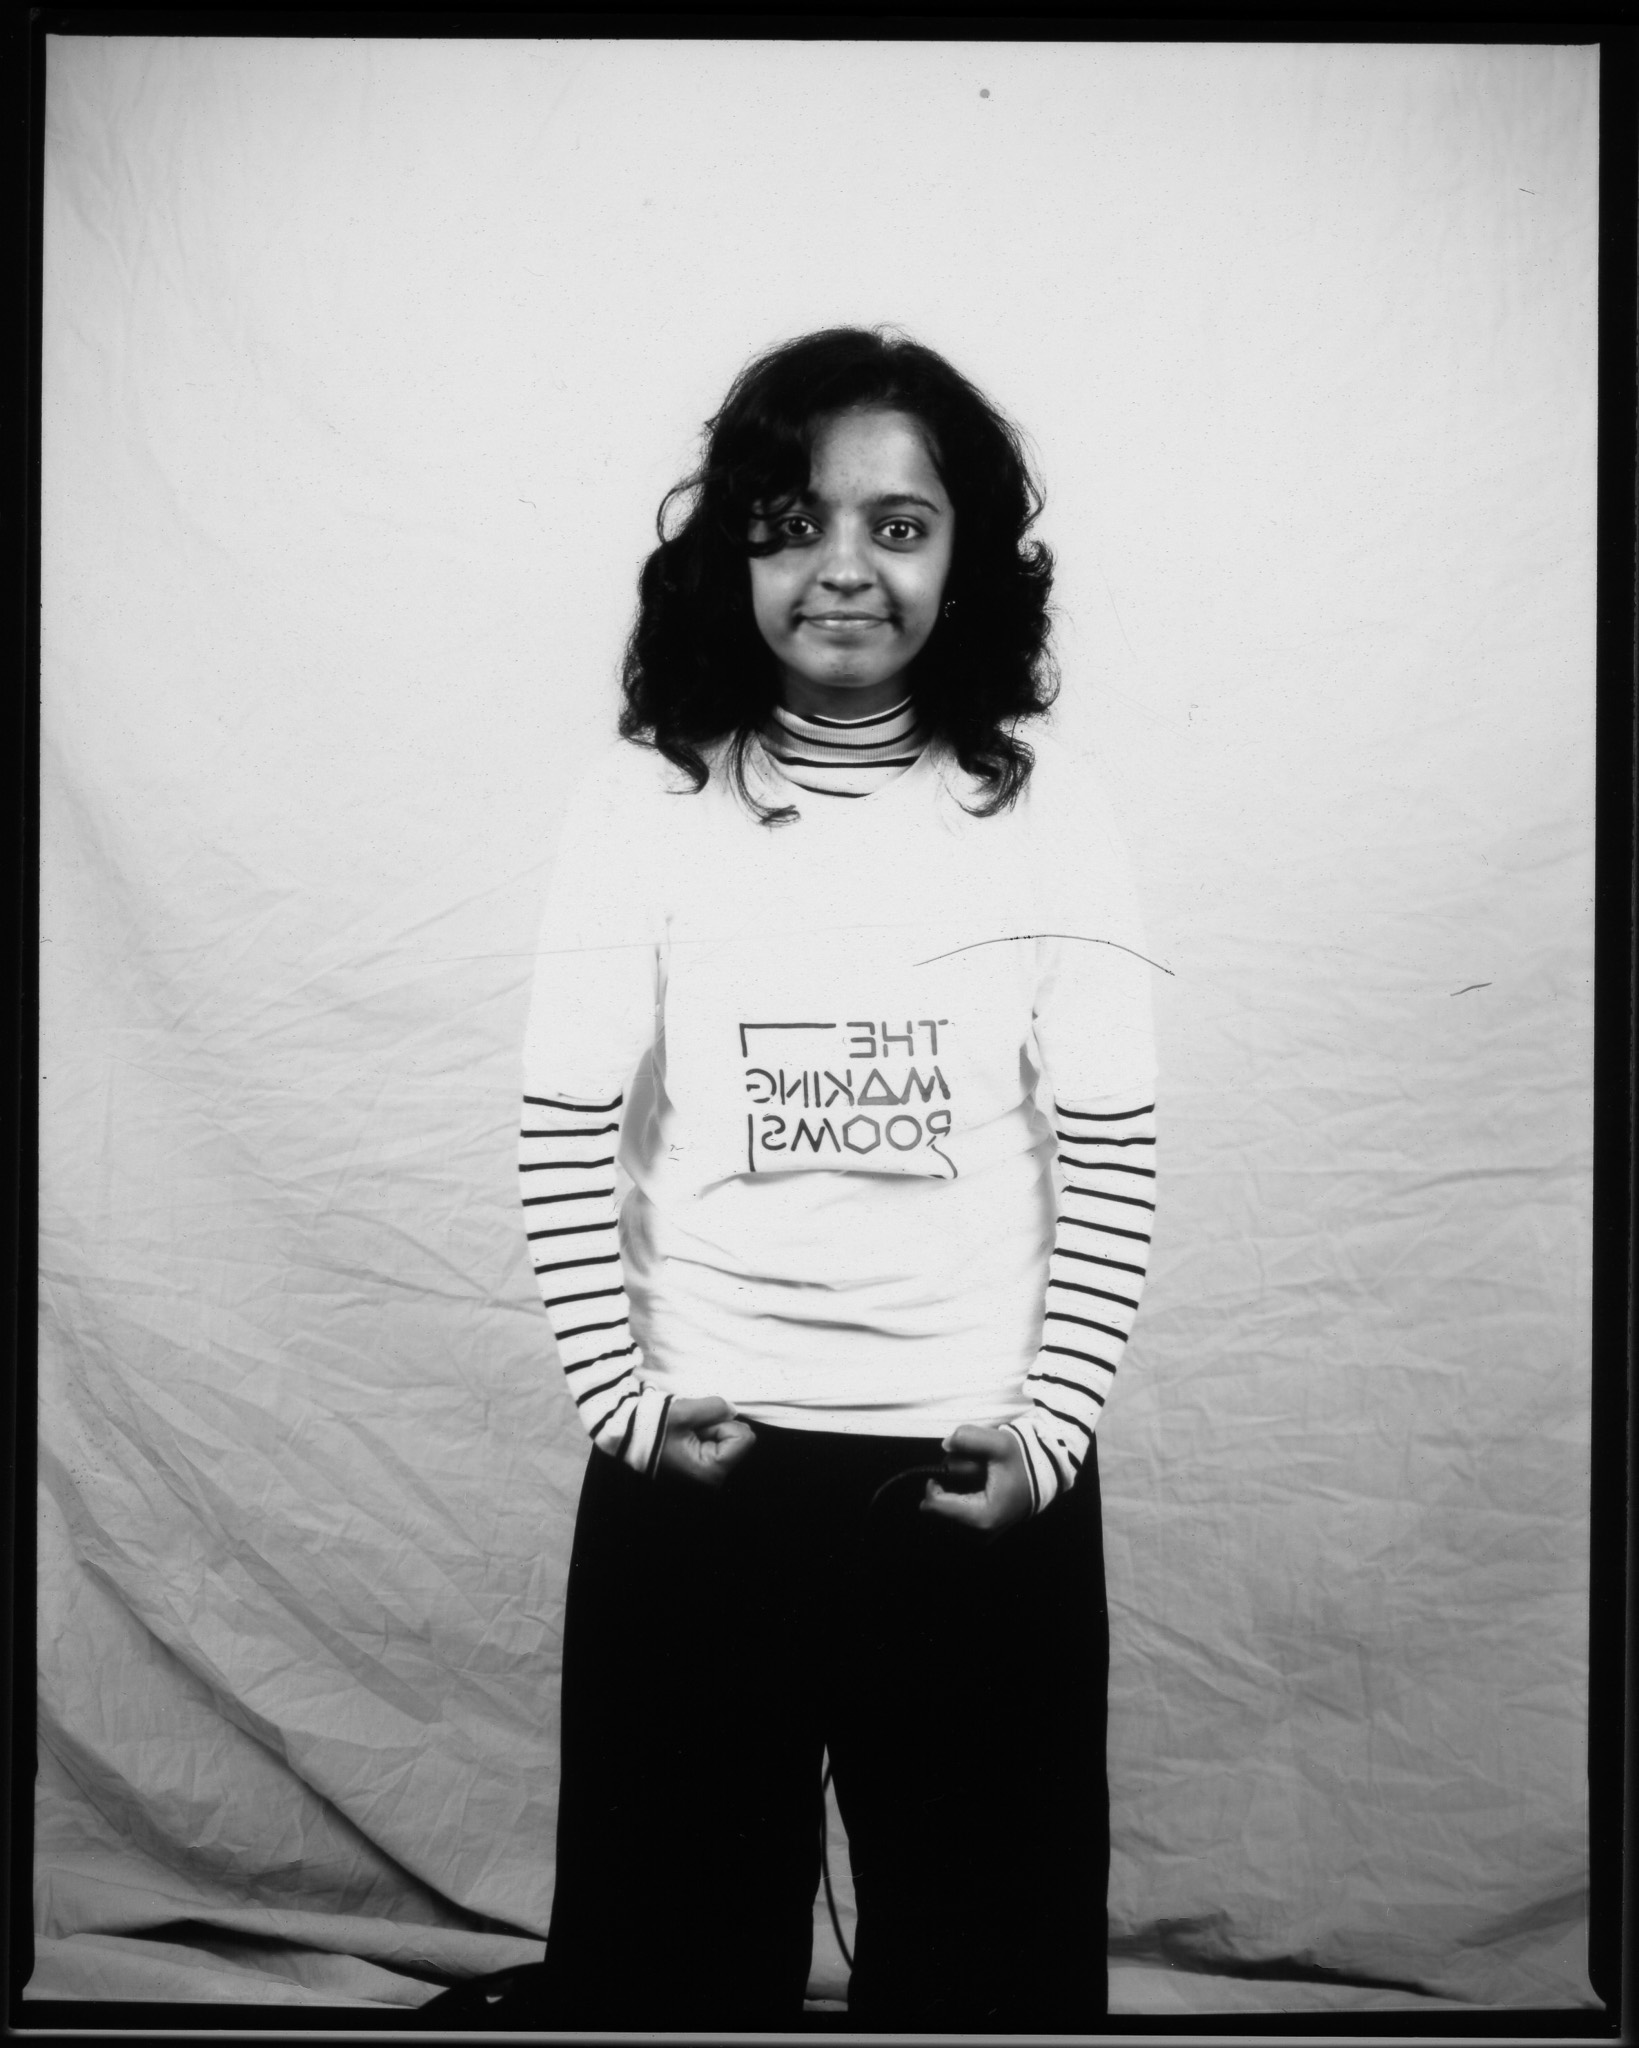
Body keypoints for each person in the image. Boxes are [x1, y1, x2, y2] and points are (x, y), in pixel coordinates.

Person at [518, 326, 1158, 2032]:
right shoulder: (641, 800)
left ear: (968, 557)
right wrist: (624, 1407)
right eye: (795, 521)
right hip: (703, 1469)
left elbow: (1110, 1143)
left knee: (990, 1974)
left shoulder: (1047, 809)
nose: (845, 570)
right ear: (730, 547)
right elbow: (559, 1118)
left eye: (900, 524)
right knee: (666, 1971)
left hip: (974, 1475)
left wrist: (1048, 1439)